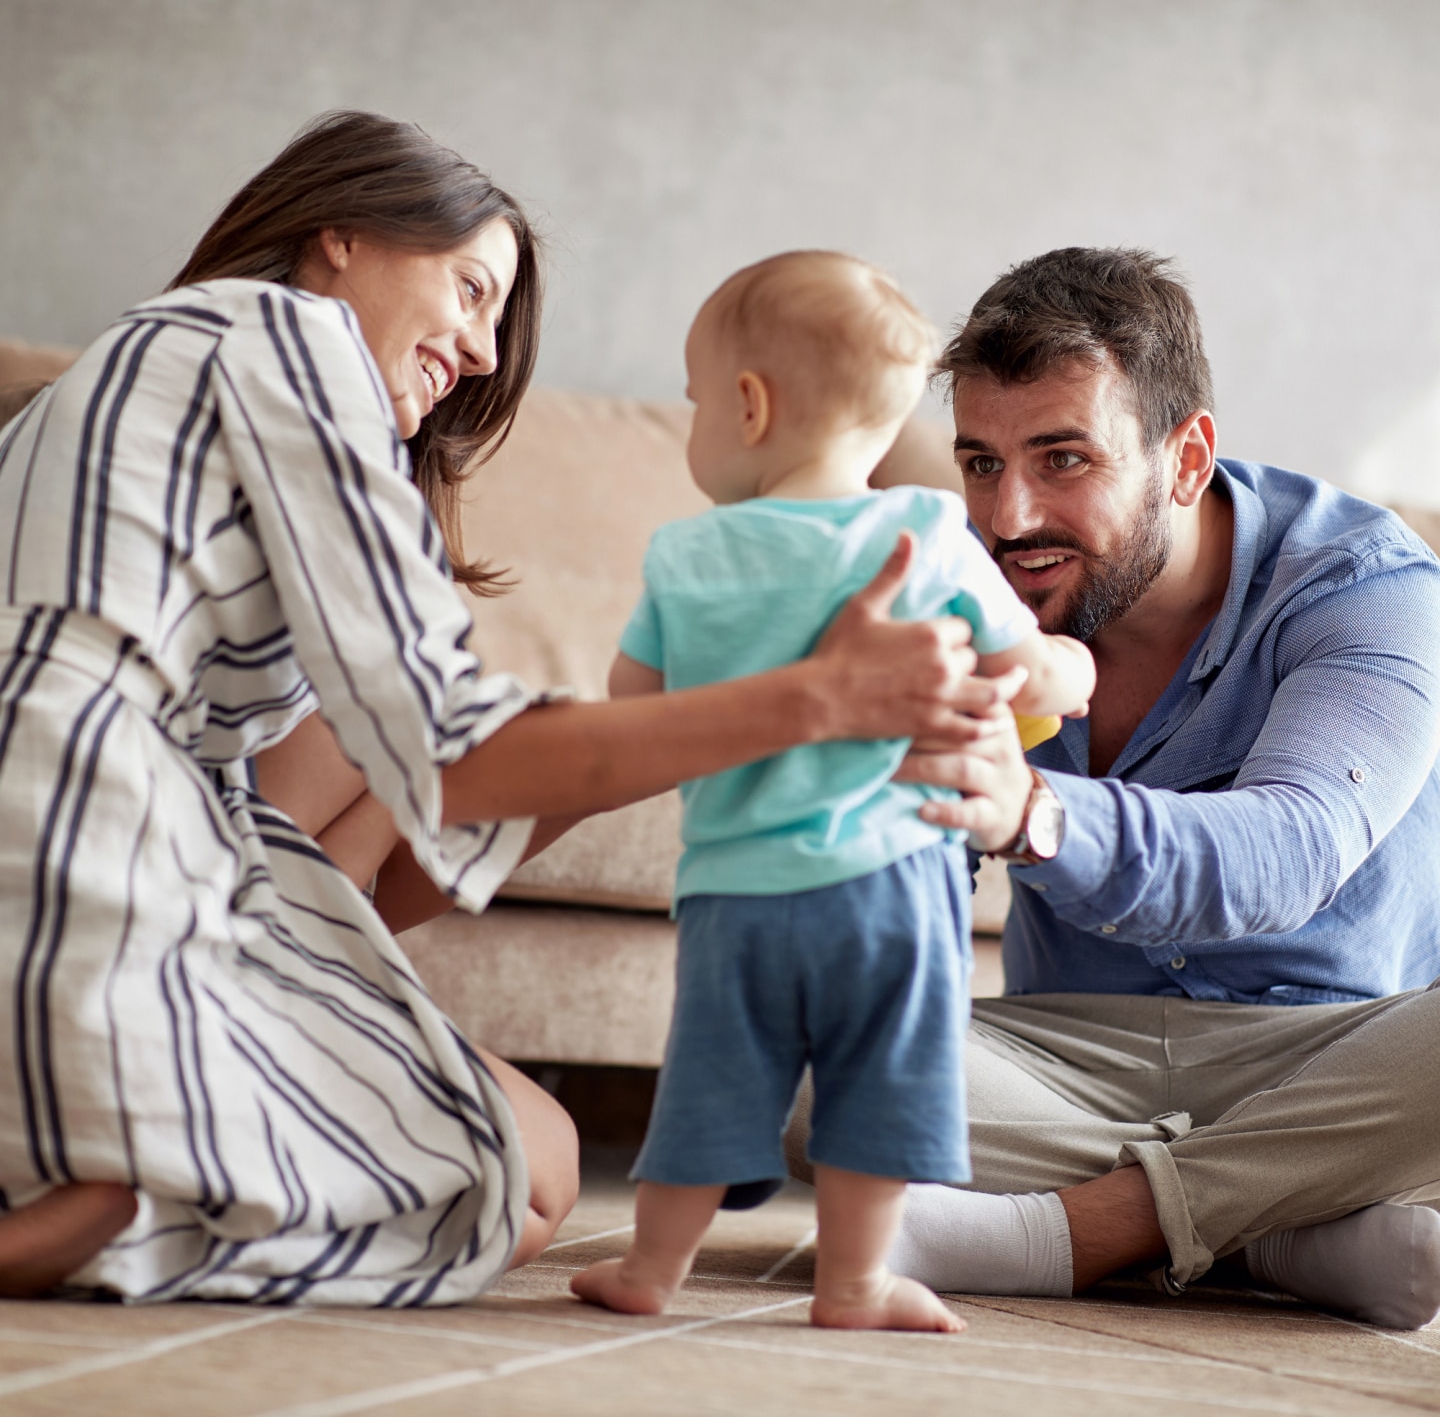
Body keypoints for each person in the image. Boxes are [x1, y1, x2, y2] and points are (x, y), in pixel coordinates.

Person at [0, 113, 996, 1304]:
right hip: (65, 812)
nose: (478, 353)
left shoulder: (204, 456)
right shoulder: (275, 335)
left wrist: (650, 745)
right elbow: (451, 749)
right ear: (341, 238)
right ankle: (127, 1191)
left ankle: (138, 1180)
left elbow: (346, 866)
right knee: (488, 1192)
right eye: (471, 290)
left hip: (172, 834)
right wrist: (809, 701)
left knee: (534, 1180)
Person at [803, 246, 1440, 1330]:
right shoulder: (958, 585)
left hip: (1328, 1049)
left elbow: (1291, 851)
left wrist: (1035, 813)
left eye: (1063, 459)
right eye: (981, 464)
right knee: (824, 1075)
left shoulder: (1367, 591)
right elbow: (897, 894)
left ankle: (1076, 1234)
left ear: (1185, 458)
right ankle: (1286, 1227)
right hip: (1067, 1053)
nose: (1008, 519)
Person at [571, 252, 1095, 1332]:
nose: (694, 424)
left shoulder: (688, 552)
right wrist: (1071, 674)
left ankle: (651, 1271)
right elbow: (1028, 671)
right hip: (890, 889)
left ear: (749, 406)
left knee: (713, 1076)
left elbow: (632, 703)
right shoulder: (928, 533)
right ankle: (852, 1285)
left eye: (695, 401)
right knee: (879, 1081)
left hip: (735, 891)